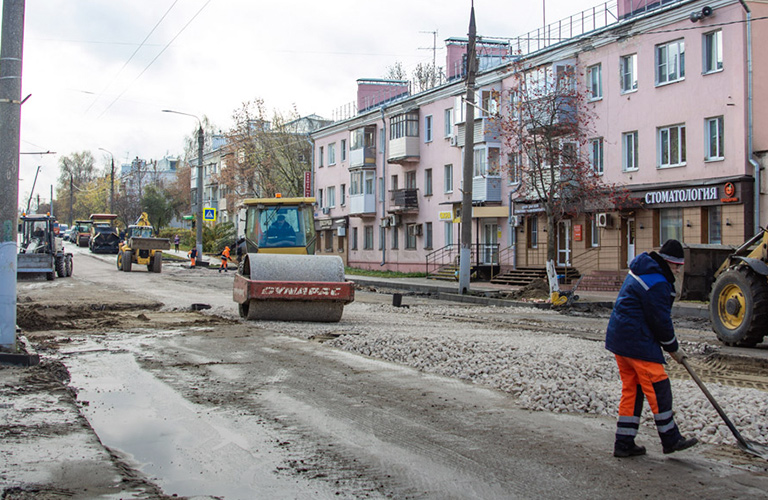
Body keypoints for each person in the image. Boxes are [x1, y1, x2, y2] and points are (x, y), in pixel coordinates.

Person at [605, 239, 698, 458]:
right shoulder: (657, 281)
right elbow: (660, 320)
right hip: (637, 341)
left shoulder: (645, 270)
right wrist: (673, 348)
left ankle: (624, 443)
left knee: (633, 389)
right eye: (676, 266)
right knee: (659, 387)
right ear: (668, 262)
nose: (677, 270)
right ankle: (670, 438)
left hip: (621, 339)